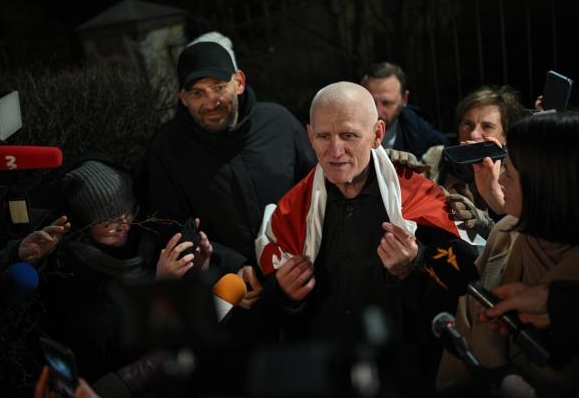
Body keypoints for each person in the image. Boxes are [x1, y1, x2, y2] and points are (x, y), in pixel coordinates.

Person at [255, 81, 468, 396]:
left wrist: (412, 269)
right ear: (309, 135)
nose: (335, 150)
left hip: (403, 378)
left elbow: (459, 300)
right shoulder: (291, 210)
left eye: (349, 135)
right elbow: (265, 316)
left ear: (377, 134)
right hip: (323, 376)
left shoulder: (420, 199)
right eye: (323, 136)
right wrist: (284, 296)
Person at [437, 111, 579, 398]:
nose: (500, 179)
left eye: (508, 171)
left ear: (545, 184)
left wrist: (503, 375)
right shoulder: (504, 233)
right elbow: (459, 352)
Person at [140, 39, 316, 283]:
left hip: (301, 268)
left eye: (219, 87)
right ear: (183, 98)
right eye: (197, 93)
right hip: (227, 287)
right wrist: (230, 266)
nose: (211, 101)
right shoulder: (166, 149)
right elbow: (168, 228)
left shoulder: (280, 123)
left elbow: (317, 188)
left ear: (239, 82)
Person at [40, 159, 212, 383]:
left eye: (127, 212)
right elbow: (108, 350)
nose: (123, 225)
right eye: (108, 220)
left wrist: (196, 270)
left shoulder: (145, 239)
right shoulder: (71, 273)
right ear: (84, 224)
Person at [422, 85, 524, 239]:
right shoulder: (436, 157)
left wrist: (494, 200)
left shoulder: (514, 174)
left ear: (505, 136)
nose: (474, 134)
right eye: (467, 124)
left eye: (487, 126)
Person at [360, 62, 449, 159]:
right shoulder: (348, 133)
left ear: (404, 99)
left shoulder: (429, 143)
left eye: (386, 103)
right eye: (371, 102)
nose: (378, 112)